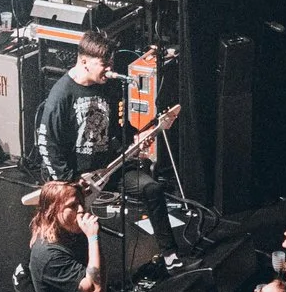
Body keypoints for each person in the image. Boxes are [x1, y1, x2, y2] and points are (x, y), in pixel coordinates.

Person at [38, 33, 189, 263]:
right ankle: (28, 268)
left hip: (109, 168)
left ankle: (170, 255)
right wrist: (69, 182)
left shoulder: (108, 88)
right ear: (84, 61)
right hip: (73, 178)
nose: (109, 69)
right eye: (104, 64)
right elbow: (47, 143)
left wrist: (136, 139)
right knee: (59, 230)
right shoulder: (61, 95)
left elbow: (117, 129)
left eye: (111, 63)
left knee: (152, 189)